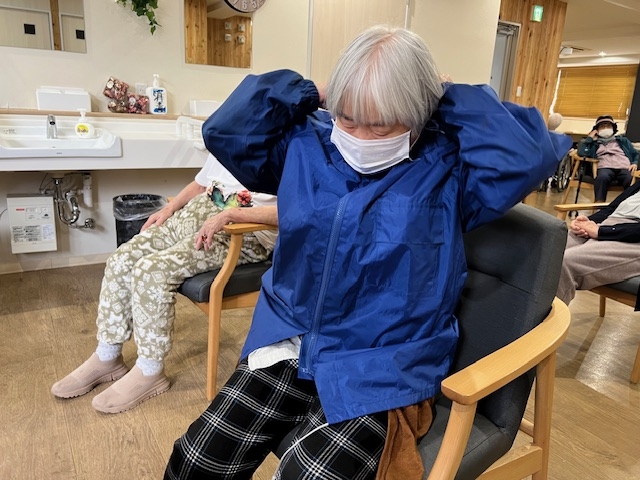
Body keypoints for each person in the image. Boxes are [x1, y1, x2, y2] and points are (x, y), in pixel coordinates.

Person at [165, 26, 571, 479]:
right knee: (197, 459)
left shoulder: (451, 171)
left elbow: (531, 155)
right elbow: (226, 131)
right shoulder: (306, 146)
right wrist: (320, 91)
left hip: (384, 362)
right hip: (293, 339)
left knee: (308, 473)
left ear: (417, 117)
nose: (360, 136)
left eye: (381, 124)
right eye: (348, 118)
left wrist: (443, 95)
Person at [51, 153, 278, 414]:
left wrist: (232, 214)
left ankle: (150, 371)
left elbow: (295, 211)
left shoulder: (293, 147)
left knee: (151, 271)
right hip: (196, 216)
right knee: (121, 260)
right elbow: (201, 184)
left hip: (241, 233)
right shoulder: (232, 138)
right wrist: (170, 209)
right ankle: (107, 356)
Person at [557, 180, 640, 306]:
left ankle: (545, 318)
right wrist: (587, 222)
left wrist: (602, 231)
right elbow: (613, 207)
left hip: (632, 237)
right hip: (610, 224)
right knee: (549, 251)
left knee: (566, 262)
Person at [577, 114, 639, 201]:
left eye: (608, 126)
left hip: (624, 167)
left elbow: (635, 153)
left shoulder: (622, 140)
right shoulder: (594, 144)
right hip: (604, 167)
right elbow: (582, 153)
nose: (606, 128)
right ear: (597, 130)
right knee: (602, 177)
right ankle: (599, 204)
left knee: (631, 179)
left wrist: (634, 163)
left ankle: (628, 204)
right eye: (602, 127)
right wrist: (590, 138)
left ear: (613, 128)